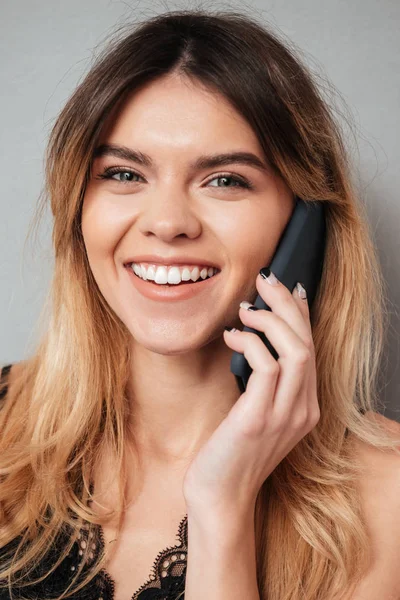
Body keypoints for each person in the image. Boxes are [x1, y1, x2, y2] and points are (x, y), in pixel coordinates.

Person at [1, 8, 400, 600]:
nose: (166, 223)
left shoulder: (386, 496)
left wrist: (223, 505)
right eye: (124, 173)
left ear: (305, 226)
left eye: (225, 180)